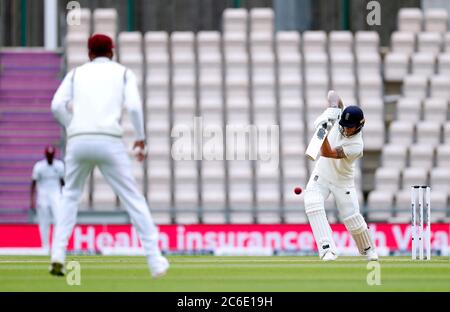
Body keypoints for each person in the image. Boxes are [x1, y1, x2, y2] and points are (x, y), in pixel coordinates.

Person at [50, 33, 169, 277]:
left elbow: (56, 106)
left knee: (70, 195)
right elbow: (134, 107)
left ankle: (58, 254)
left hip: (78, 140)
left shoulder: (76, 73)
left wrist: (72, 126)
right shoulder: (123, 73)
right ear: (112, 52)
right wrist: (141, 138)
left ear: (89, 53)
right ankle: (155, 260)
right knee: (133, 199)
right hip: (109, 140)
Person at [304, 91, 378, 261]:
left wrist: (321, 129)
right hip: (321, 175)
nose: (345, 128)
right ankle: (327, 249)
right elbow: (333, 94)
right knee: (311, 202)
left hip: (342, 182)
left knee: (352, 218)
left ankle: (368, 249)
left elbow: (327, 152)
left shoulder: (356, 145)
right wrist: (331, 108)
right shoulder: (340, 118)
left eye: (349, 127)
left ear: (359, 126)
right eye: (343, 124)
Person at [30, 146, 65, 251]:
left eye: (51, 155)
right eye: (48, 155)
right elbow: (33, 183)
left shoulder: (59, 165)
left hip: (56, 195)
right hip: (43, 196)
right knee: (44, 222)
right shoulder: (39, 166)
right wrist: (32, 201)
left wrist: (65, 197)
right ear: (45, 155)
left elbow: (62, 183)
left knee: (58, 220)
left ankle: (55, 245)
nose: (50, 157)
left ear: (54, 155)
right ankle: (45, 246)